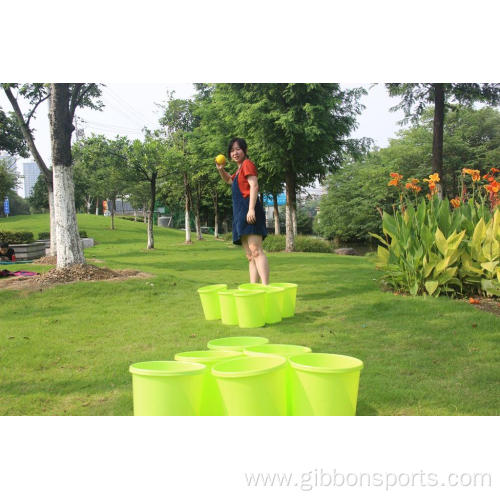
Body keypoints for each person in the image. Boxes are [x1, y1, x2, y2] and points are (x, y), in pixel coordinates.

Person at [216, 138, 270, 285]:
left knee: (256, 250)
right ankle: (254, 289)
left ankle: (266, 287)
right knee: (250, 255)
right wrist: (221, 170)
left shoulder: (247, 164)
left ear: (245, 150)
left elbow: (254, 186)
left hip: (249, 210)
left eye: (238, 149)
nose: (235, 152)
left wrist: (251, 209)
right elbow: (229, 180)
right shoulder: (239, 170)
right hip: (240, 213)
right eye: (232, 150)